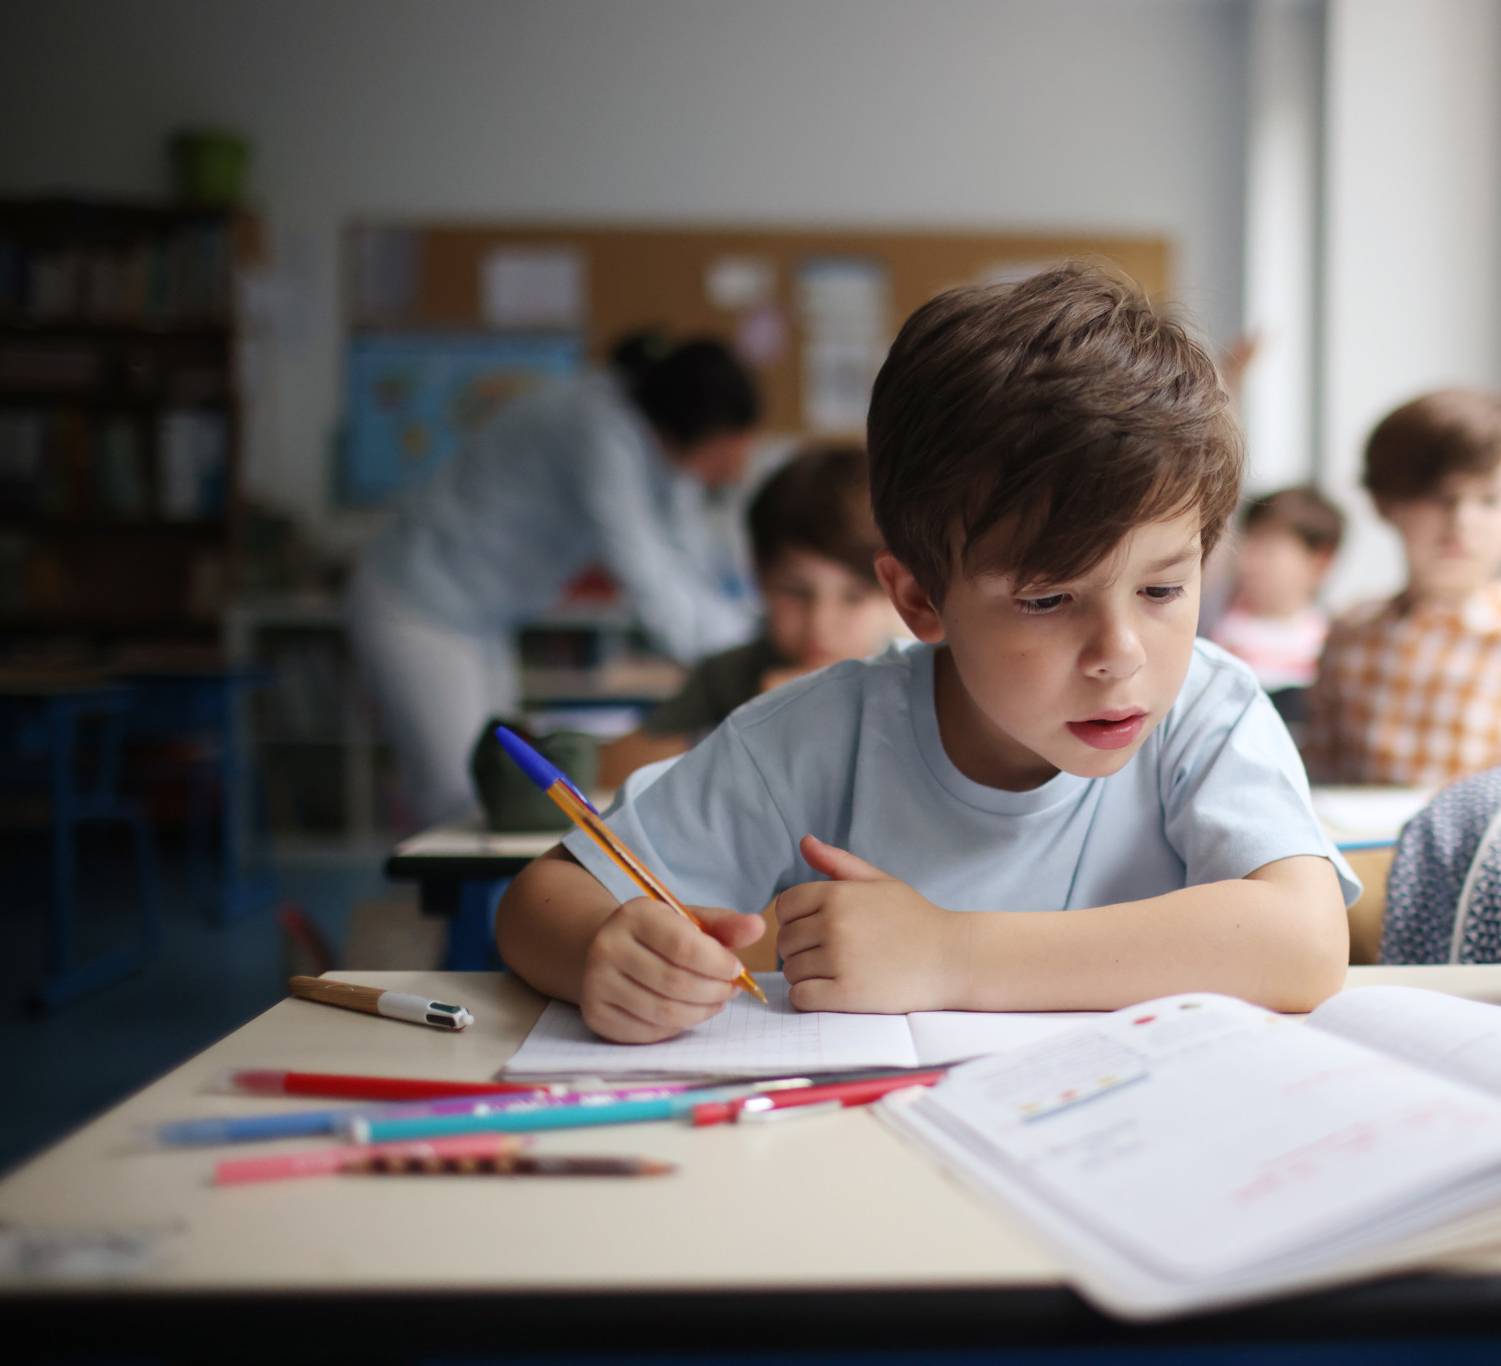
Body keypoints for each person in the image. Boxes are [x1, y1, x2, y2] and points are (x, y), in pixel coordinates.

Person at [495, 264, 1356, 1043]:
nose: (1120, 654)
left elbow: (1307, 942)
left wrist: (951, 954)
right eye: (1048, 600)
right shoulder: (818, 735)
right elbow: (541, 900)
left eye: (1162, 590)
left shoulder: (1207, 711)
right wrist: (607, 949)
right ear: (919, 599)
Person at [348, 334, 764, 825]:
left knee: (504, 788)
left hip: (481, 622)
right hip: (417, 607)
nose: (729, 469)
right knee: (461, 802)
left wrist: (749, 632)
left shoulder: (650, 443)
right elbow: (646, 569)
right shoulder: (597, 429)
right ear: (687, 426)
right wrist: (743, 658)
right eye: (721, 453)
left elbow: (687, 551)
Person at [1303, 388, 1501, 788]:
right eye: (1438, 497)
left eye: (1489, 501)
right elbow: (1317, 783)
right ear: (1385, 502)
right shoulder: (1350, 636)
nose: (1462, 522)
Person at [595, 442, 902, 788]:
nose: (821, 624)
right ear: (758, 575)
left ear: (898, 587)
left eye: (854, 597)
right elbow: (611, 770)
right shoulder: (730, 674)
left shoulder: (914, 682)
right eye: (795, 592)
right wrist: (748, 725)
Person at [1206, 487, 1344, 724]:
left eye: (1268, 551)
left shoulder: (1328, 650)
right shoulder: (1213, 621)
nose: (1247, 563)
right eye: (1247, 545)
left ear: (1319, 561)